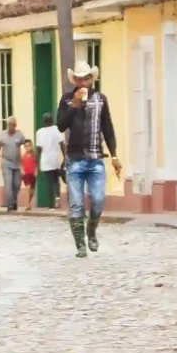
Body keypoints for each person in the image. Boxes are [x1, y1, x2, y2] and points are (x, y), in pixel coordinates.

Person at [54, 63, 119, 258]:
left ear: (92, 79)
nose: (83, 82)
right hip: (74, 160)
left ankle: (91, 231)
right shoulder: (66, 99)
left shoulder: (101, 100)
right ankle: (80, 244)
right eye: (79, 79)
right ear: (75, 80)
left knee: (98, 200)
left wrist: (114, 155)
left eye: (86, 78)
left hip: (95, 159)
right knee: (76, 204)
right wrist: (74, 105)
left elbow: (107, 128)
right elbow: (60, 126)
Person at [33, 107, 65, 210]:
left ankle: (51, 204)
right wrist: (65, 156)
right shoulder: (57, 129)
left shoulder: (40, 132)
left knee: (49, 182)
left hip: (45, 160)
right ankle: (58, 197)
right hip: (56, 159)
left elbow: (38, 149)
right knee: (56, 180)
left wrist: (36, 162)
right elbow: (62, 144)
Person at [0, 116, 28, 212]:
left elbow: (26, 144)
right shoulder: (2, 135)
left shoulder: (19, 135)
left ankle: (13, 200)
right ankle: (10, 205)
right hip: (6, 162)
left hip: (17, 163)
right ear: (7, 125)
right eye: (10, 125)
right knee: (8, 184)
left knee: (17, 184)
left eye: (14, 125)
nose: (12, 127)